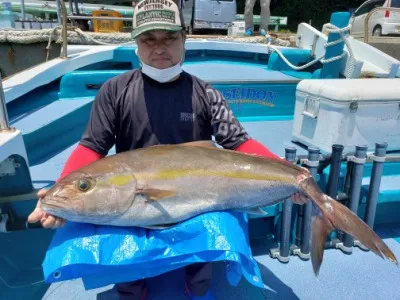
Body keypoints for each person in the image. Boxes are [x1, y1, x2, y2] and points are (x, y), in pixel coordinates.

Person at [27, 0, 306, 299]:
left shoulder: (204, 92)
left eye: (169, 38)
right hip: (132, 198)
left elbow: (238, 141)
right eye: (149, 39)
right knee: (129, 280)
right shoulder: (115, 91)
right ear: (136, 43)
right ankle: (136, 285)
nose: (159, 47)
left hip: (196, 198)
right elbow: (91, 147)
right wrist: (61, 191)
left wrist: (287, 172)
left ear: (184, 39)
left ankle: (194, 282)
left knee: (201, 274)